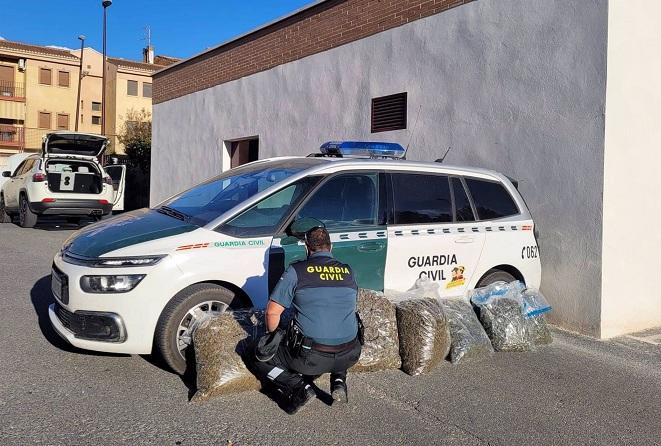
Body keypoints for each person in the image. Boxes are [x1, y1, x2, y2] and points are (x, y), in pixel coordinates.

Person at [250, 225, 362, 414]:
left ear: (306, 248)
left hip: (311, 358)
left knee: (258, 358)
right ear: (331, 247)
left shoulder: (297, 271)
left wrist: (272, 338)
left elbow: (272, 312)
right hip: (351, 353)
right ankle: (338, 381)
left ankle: (298, 387)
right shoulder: (348, 271)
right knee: (337, 326)